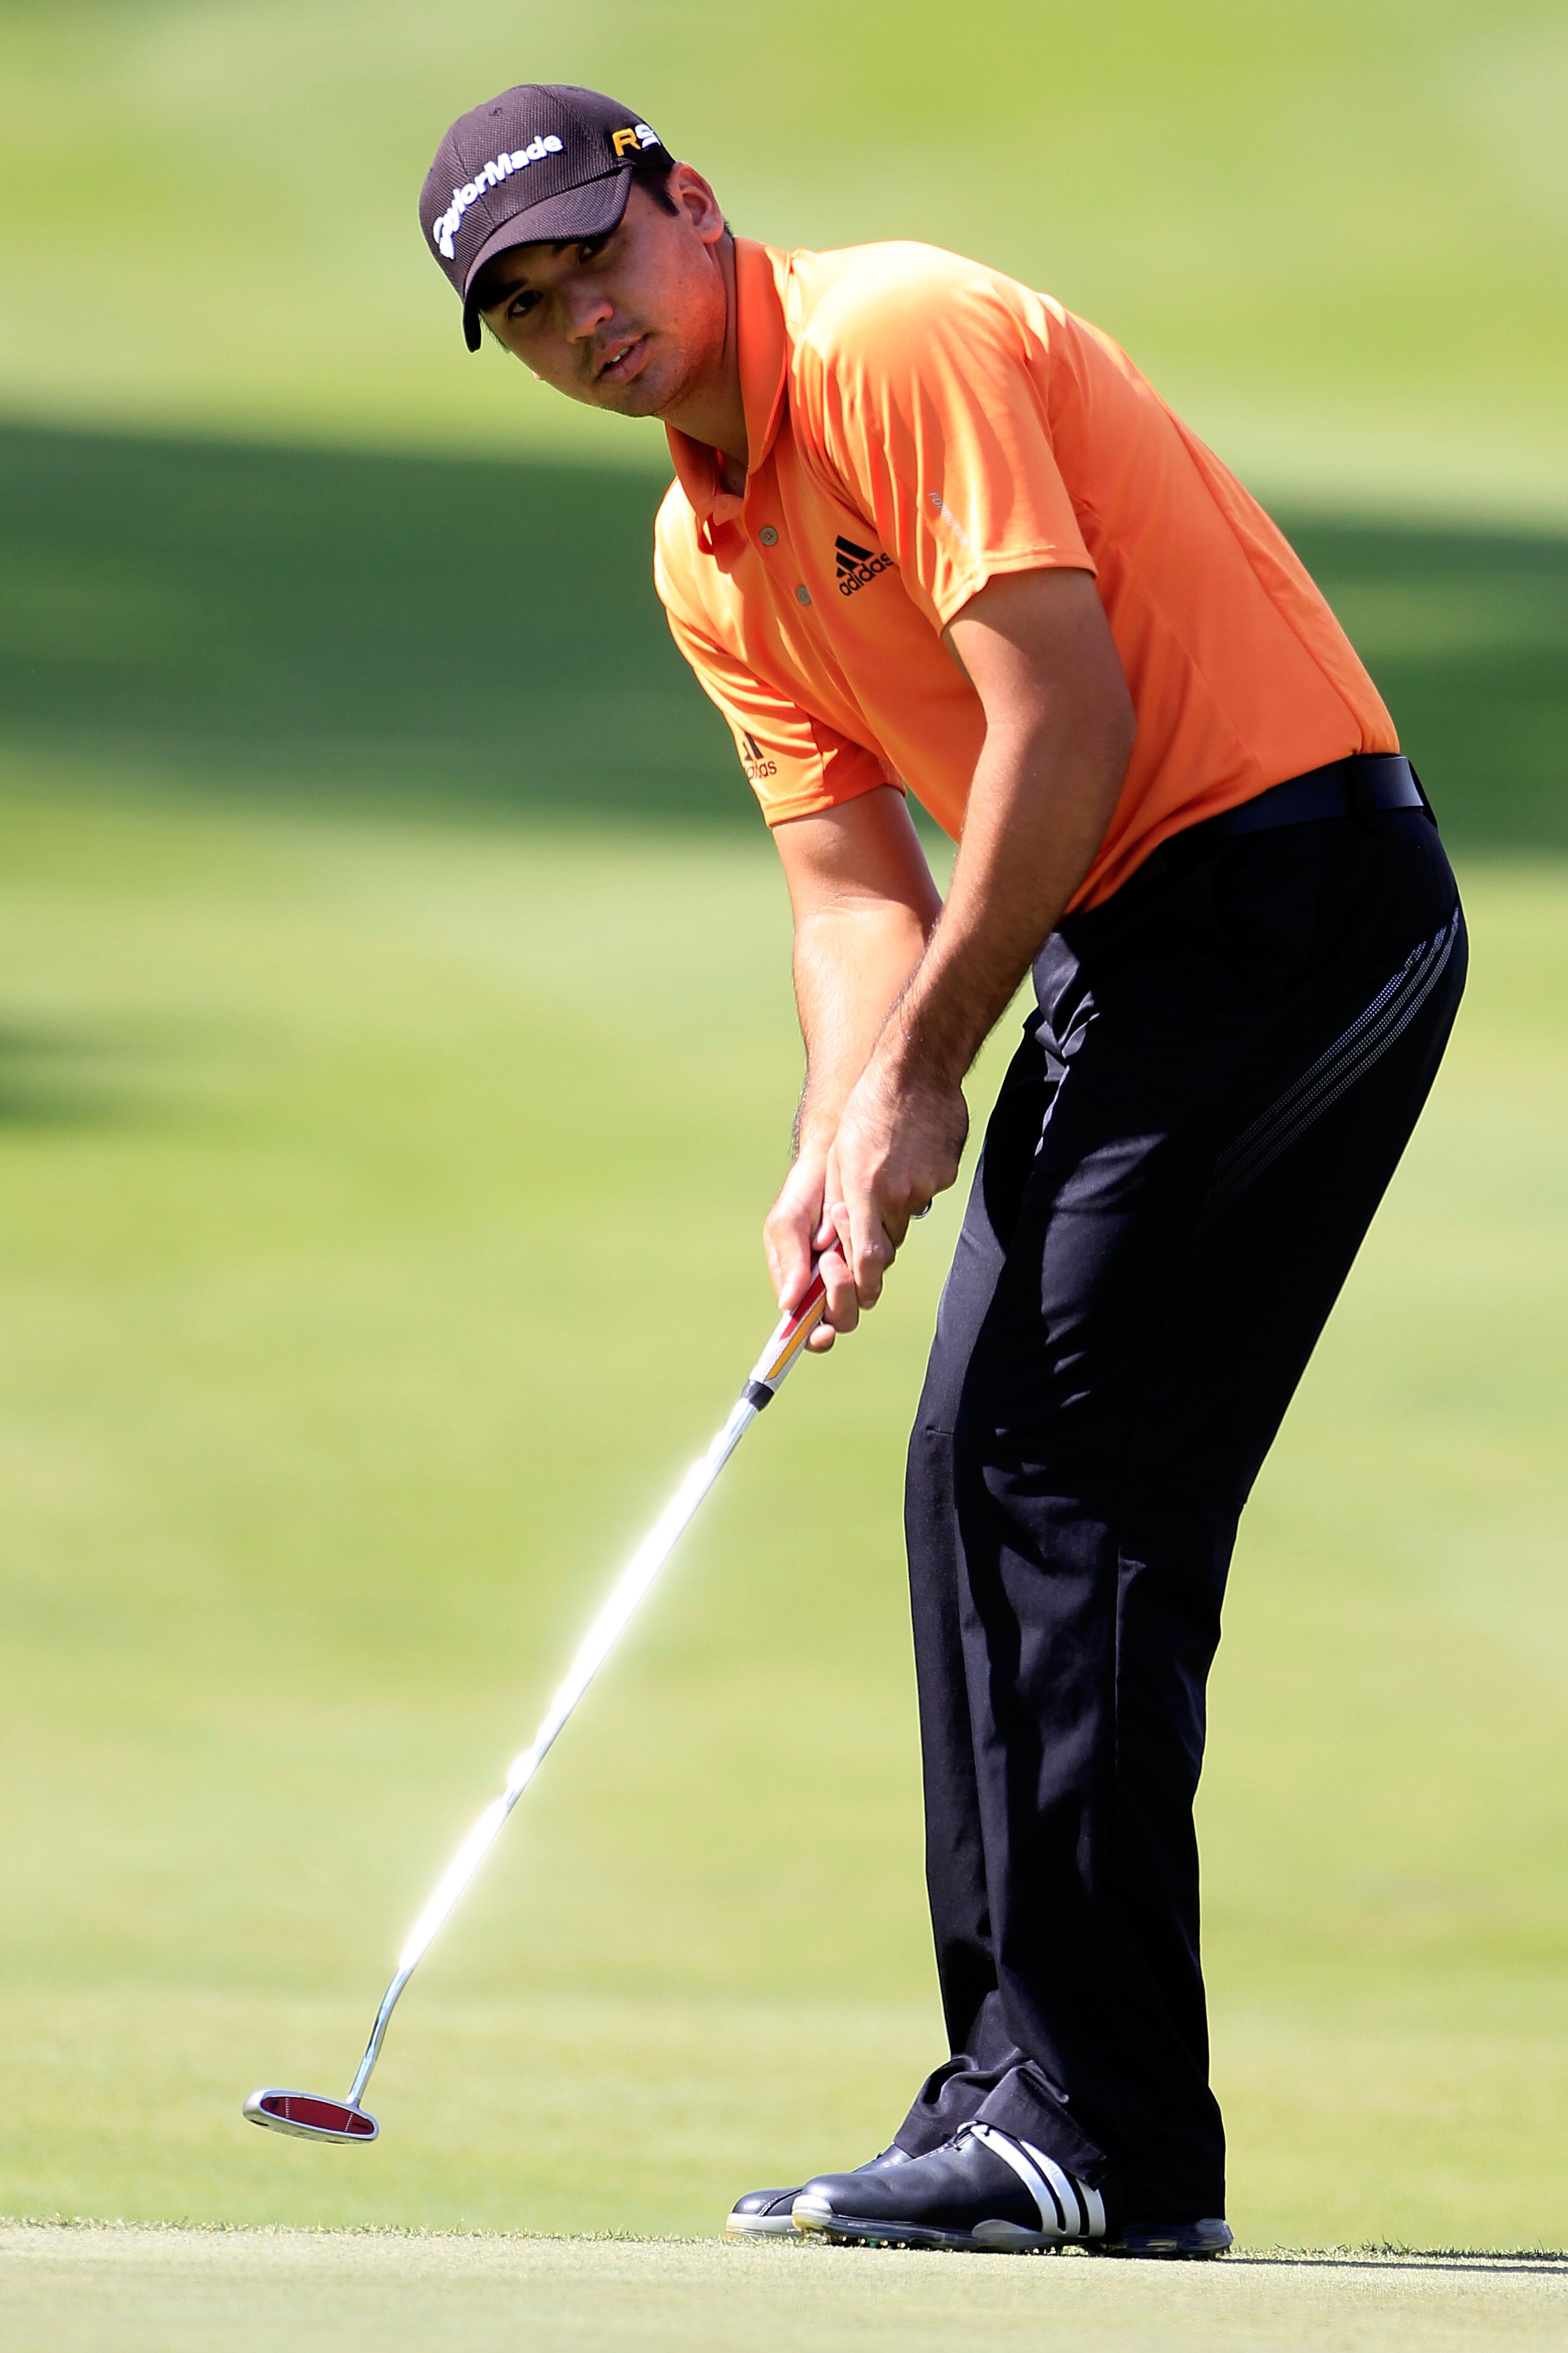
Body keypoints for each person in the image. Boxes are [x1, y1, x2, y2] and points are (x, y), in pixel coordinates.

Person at [418, 84, 1466, 2258]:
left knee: (1053, 1467)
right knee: (984, 1470)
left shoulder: (894, 335)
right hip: (1127, 935)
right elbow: (844, 894)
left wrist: (927, 1069)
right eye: (523, 311)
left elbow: (1057, 720)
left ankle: (1084, 2121)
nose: (578, 319)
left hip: (1293, 902)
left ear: (685, 201)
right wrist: (841, 1127)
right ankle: (1031, 2098)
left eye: (591, 256)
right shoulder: (703, 545)